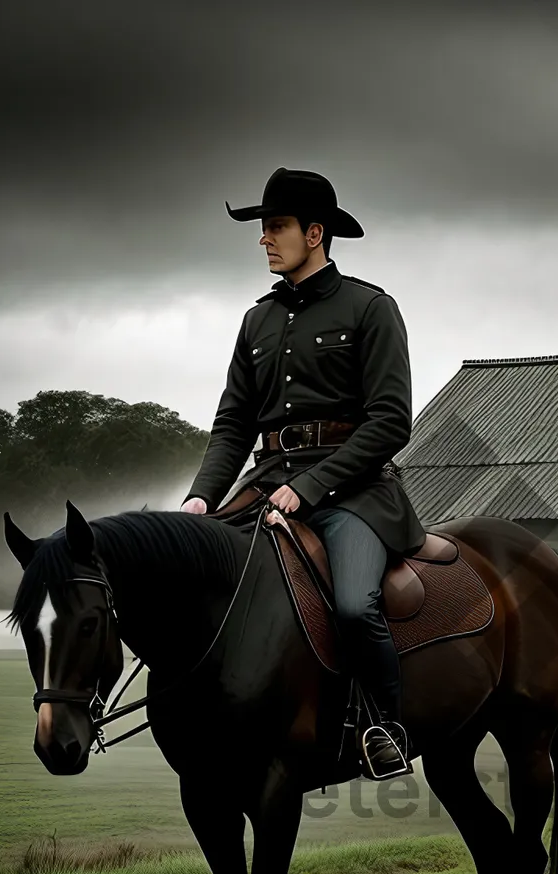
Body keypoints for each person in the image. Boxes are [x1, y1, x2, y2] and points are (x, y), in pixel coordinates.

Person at [180, 167, 426, 780]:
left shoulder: (371, 307)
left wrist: (311, 486)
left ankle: (383, 726)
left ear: (315, 233)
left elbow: (391, 422)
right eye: (263, 229)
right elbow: (234, 423)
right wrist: (200, 498)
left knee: (352, 605)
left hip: (356, 495)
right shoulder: (255, 320)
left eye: (277, 227)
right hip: (265, 485)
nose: (265, 239)